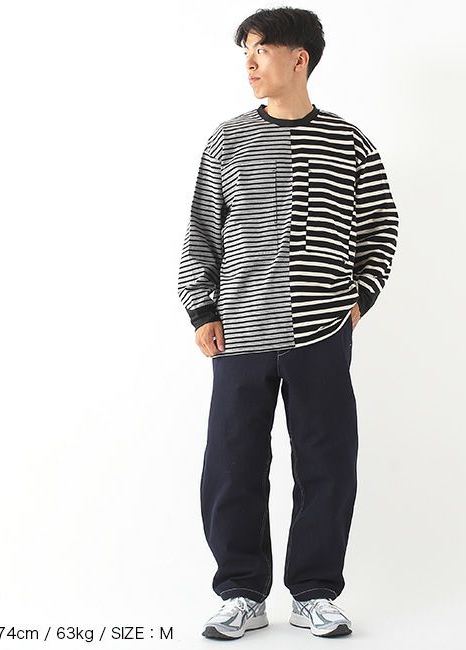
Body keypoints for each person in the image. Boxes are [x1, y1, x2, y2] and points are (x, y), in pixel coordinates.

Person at [177, 7, 399, 640]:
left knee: (327, 464)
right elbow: (202, 229)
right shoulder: (227, 141)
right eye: (245, 51)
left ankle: (315, 593)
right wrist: (201, 307)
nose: (249, 63)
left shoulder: (349, 142)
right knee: (232, 465)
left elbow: (381, 227)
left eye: (262, 49)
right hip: (241, 331)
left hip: (322, 333)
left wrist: (360, 298)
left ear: (299, 58)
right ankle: (241, 594)